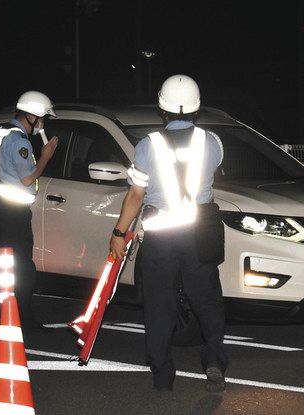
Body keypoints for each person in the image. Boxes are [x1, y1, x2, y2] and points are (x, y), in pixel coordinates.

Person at [110, 74, 227, 392]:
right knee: (207, 300)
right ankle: (214, 359)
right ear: (197, 108)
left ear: (161, 108)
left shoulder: (148, 146)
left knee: (160, 304)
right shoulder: (212, 143)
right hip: (200, 232)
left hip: (161, 236)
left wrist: (119, 232)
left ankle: (162, 374)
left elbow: (136, 196)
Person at [0, 90, 58, 332]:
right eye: (42, 118)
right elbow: (27, 178)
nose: (43, 124)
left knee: (0, 265)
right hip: (13, 214)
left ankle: (1, 315)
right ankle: (24, 319)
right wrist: (46, 157)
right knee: (23, 267)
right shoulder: (20, 141)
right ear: (32, 116)